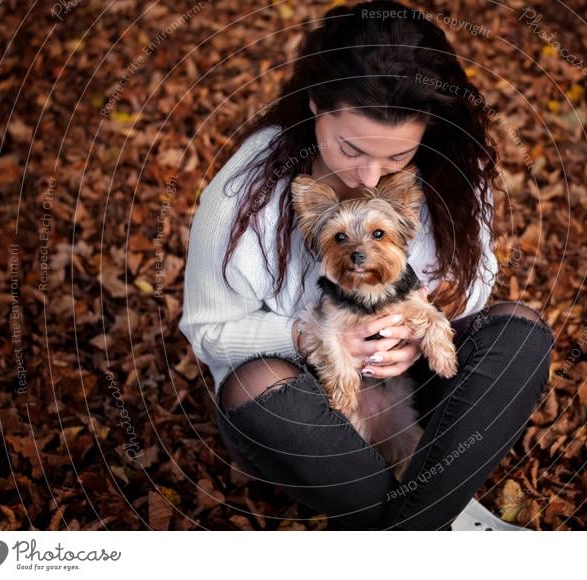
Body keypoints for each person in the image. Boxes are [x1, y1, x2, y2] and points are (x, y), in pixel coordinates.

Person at [178, 0, 555, 530]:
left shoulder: (450, 171)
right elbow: (208, 333)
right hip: (308, 415)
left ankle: (406, 528)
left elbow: (478, 280)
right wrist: (306, 337)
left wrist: (422, 317)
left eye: (397, 158)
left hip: (413, 386)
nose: (370, 177)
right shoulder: (244, 196)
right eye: (350, 147)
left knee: (522, 334)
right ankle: (442, 518)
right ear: (315, 104)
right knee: (260, 389)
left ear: (427, 129)